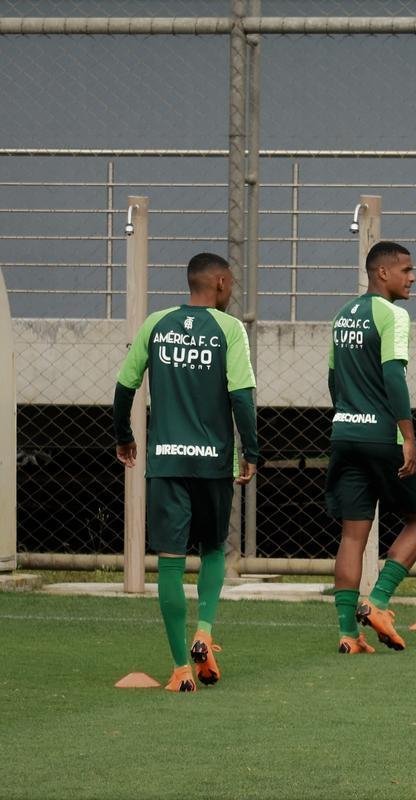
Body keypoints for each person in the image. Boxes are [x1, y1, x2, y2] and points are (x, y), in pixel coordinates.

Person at [112, 252, 259, 692]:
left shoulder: (155, 324)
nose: (231, 290)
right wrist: (250, 448)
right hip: (212, 462)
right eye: (230, 282)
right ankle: (205, 632)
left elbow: (125, 385)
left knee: (171, 564)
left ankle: (180, 670)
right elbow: (242, 395)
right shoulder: (229, 329)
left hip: (167, 461)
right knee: (214, 547)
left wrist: (123, 433)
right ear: (217, 282)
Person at [325, 241, 416, 655]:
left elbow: (334, 379)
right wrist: (408, 436)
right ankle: (380, 602)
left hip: (344, 433)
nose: (412, 277)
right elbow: (394, 377)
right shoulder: (392, 315)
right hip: (382, 436)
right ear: (382, 273)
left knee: (353, 535)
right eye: (406, 269)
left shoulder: (342, 316)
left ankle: (346, 634)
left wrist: (347, 414)